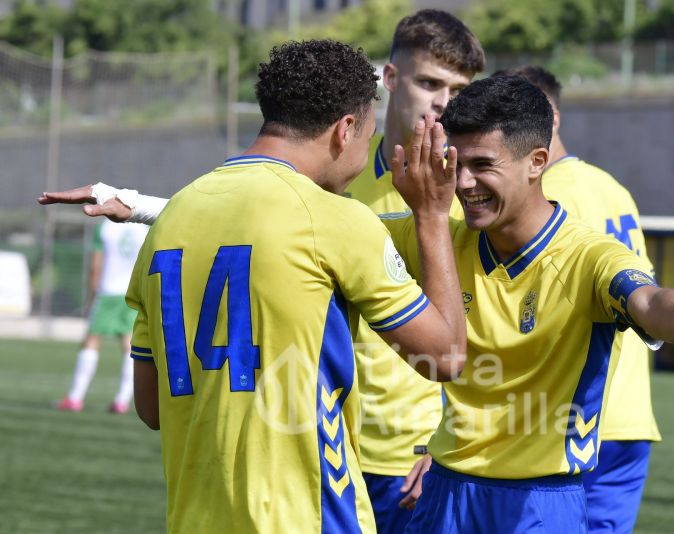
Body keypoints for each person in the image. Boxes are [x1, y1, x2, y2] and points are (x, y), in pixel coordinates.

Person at [39, 10, 485, 534]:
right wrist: (431, 218)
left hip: (197, 517)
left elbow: (151, 406)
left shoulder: (172, 220)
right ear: (346, 130)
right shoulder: (336, 217)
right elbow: (447, 357)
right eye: (364, 139)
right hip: (310, 514)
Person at [380, 76, 674, 533]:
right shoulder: (435, 235)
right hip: (446, 493)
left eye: (483, 165)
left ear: (537, 162)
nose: (464, 183)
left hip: (541, 504)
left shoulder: (588, 256)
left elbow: (646, 298)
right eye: (457, 162)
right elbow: (344, 237)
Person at [494, 65, 661, 533]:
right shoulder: (614, 189)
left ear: (547, 119)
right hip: (629, 420)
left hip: (567, 421)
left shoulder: (536, 194)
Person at [344, 10, 483, 532]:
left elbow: (494, 334)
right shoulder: (336, 178)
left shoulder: (474, 196)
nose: (444, 101)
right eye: (429, 82)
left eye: (457, 88)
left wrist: (451, 443)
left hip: (425, 462)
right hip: (336, 451)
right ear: (391, 79)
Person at [56, 219, 149, 414]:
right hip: (132, 291)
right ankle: (122, 400)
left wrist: (91, 298)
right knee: (129, 343)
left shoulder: (105, 227)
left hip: (108, 292)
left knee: (91, 339)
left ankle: (75, 398)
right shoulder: (144, 227)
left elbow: (95, 267)